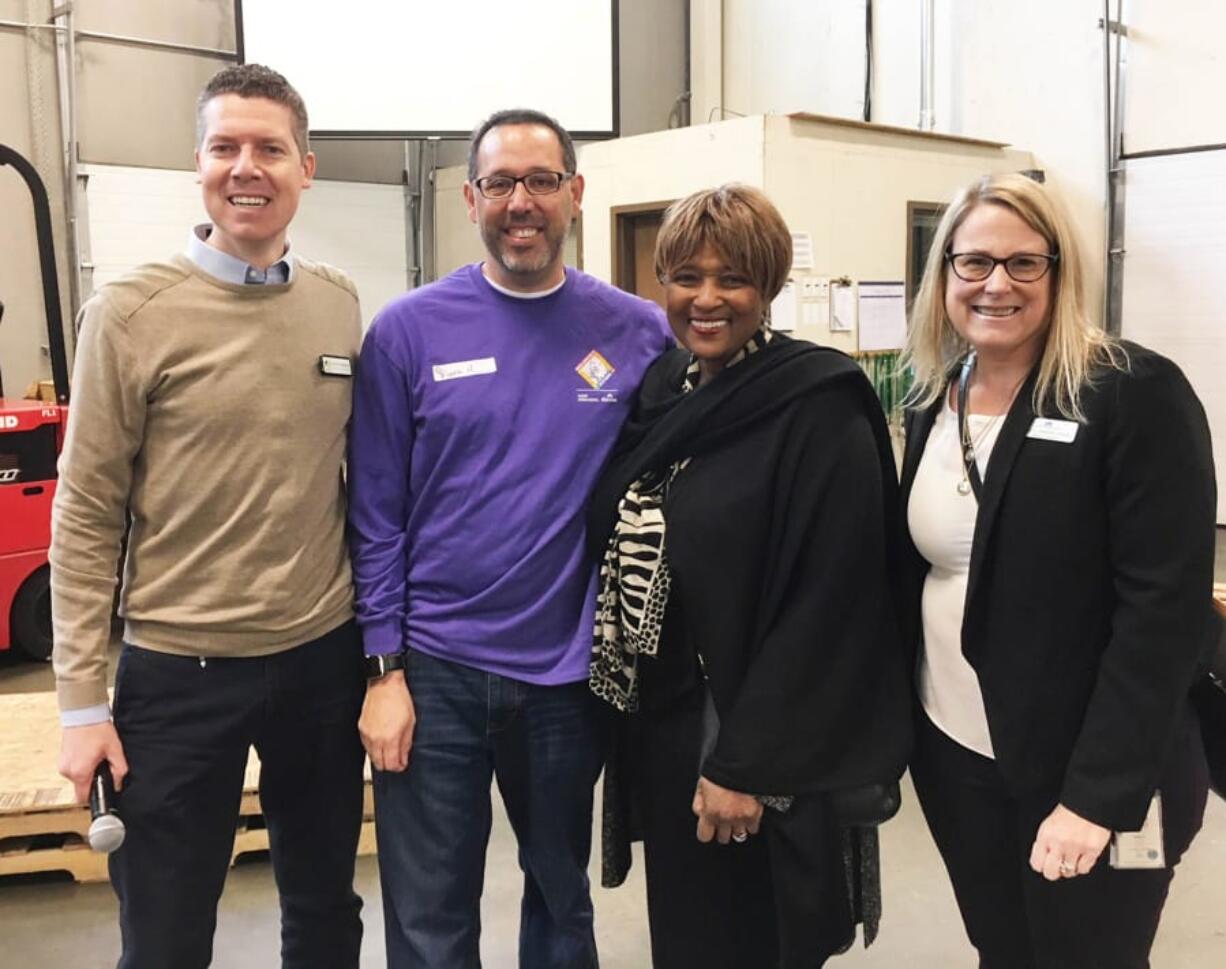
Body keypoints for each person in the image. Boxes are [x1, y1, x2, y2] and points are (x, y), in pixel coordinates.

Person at [52, 64, 366, 968]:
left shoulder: (338, 304)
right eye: (226, 146)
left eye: (270, 148)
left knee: (323, 910)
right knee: (164, 928)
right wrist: (80, 703)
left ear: (305, 168)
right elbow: (84, 516)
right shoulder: (128, 314)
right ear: (198, 164)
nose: (247, 167)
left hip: (319, 661)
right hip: (176, 676)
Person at [348, 108, 672, 968]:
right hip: (435, 673)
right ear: (470, 198)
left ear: (574, 191)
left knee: (561, 904)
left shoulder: (638, 332)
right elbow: (375, 512)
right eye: (500, 183)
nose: (520, 201)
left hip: (568, 679)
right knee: (427, 915)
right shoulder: (406, 331)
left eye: (539, 180)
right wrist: (384, 669)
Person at [586, 184, 912, 969]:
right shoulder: (667, 390)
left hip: (762, 744)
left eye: (731, 278)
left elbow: (830, 604)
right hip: (669, 728)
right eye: (684, 277)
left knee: (759, 938)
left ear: (766, 287)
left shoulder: (818, 403)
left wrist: (744, 763)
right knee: (691, 938)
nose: (706, 298)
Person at [899, 171, 1215, 968]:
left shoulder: (1127, 393)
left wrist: (1095, 796)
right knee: (1004, 950)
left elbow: (1161, 613)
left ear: (1059, 272)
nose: (995, 283)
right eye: (972, 263)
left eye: (1023, 263)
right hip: (958, 750)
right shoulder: (934, 397)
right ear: (943, 278)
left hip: (1084, 768)